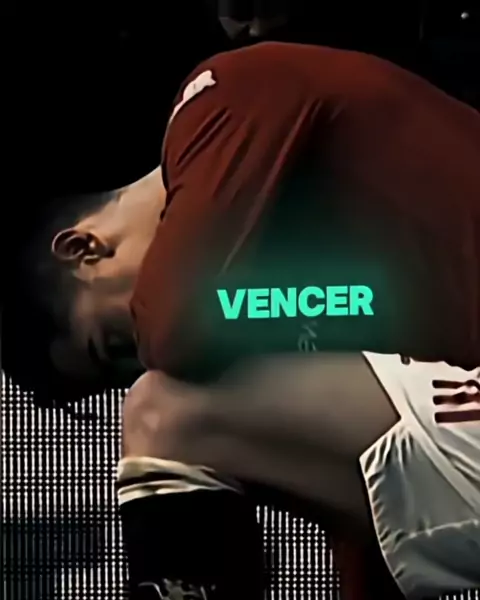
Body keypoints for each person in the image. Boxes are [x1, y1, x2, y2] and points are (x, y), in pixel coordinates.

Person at [4, 41, 480, 598]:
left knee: (165, 411)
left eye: (115, 342)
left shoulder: (222, 95)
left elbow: (173, 329)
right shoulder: (298, 285)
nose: (143, 361)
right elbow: (372, 500)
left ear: (83, 247)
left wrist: (170, 354)